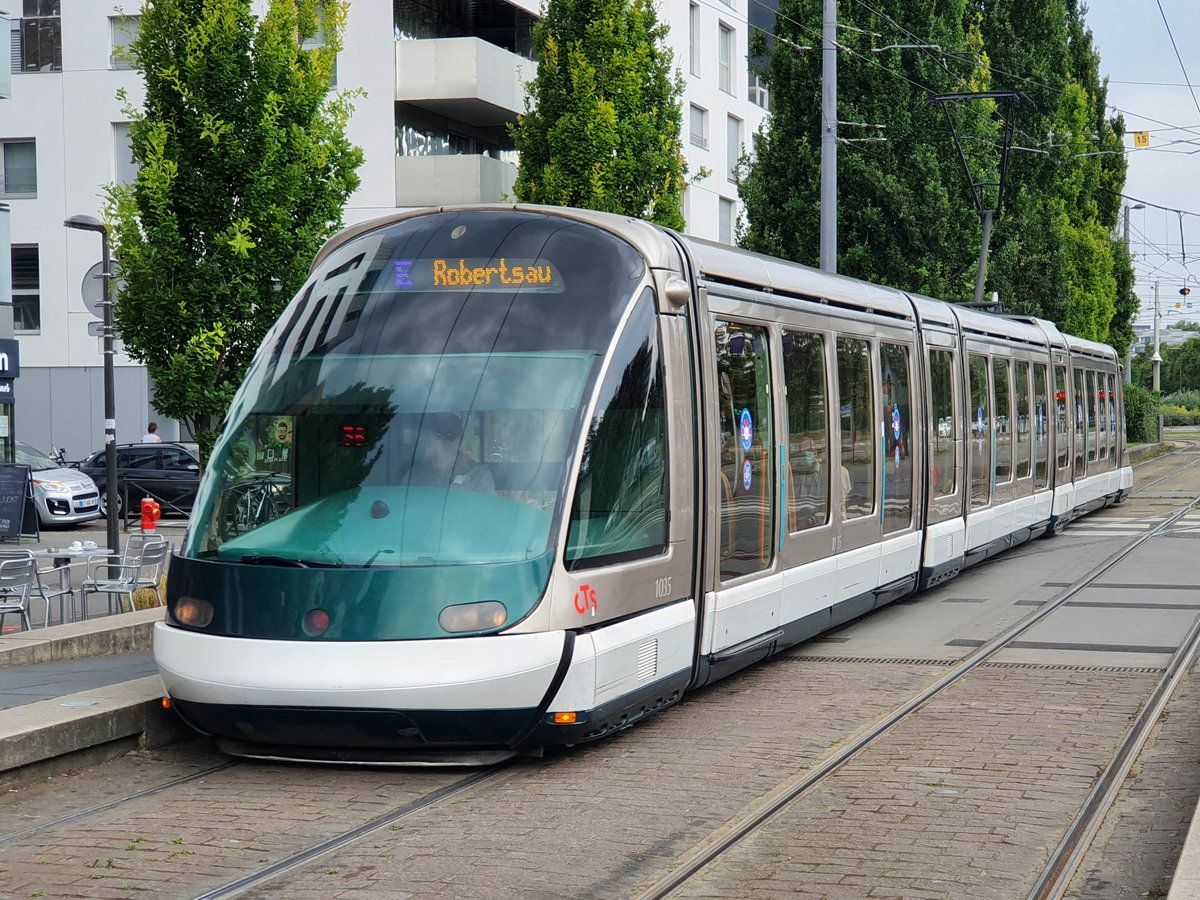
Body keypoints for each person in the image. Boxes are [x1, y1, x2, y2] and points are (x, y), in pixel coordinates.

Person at [408, 412, 495, 494]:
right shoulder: (415, 473)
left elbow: (487, 508)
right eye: (438, 434)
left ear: (461, 441)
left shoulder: (479, 475)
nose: (443, 440)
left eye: (450, 436)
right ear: (431, 440)